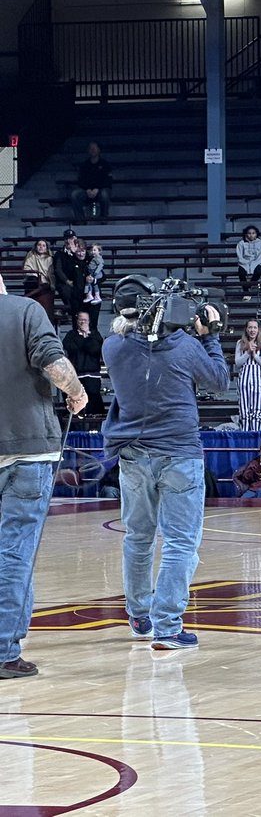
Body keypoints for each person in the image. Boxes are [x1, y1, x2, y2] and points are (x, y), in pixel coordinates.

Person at [103, 288, 228, 649]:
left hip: (133, 457)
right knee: (181, 542)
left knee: (138, 538)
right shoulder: (184, 346)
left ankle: (139, 617)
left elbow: (140, 341)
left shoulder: (113, 347)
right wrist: (211, 336)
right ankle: (168, 627)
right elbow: (219, 381)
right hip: (179, 455)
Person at [0, 274, 88, 679]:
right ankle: (3, 650)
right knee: (15, 553)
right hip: (27, 450)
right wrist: (75, 390)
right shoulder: (25, 311)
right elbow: (51, 359)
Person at [62, 311, 105, 423]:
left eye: (85, 320)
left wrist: (87, 335)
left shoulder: (95, 335)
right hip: (77, 374)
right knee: (77, 400)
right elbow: (71, 348)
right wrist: (83, 338)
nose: (83, 322)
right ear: (77, 321)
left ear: (89, 321)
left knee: (94, 400)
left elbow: (95, 350)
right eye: (81, 319)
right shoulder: (71, 335)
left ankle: (95, 425)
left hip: (93, 374)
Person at [234, 319, 261, 432]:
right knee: (244, 412)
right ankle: (245, 436)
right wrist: (248, 352)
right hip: (244, 381)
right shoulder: (240, 343)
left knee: (257, 412)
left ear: (259, 330)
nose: (252, 330)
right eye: (250, 327)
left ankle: (256, 436)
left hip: (258, 381)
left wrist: (255, 355)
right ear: (246, 329)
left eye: (255, 327)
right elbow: (238, 362)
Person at [69, 141, 112, 221]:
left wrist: (97, 189)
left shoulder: (105, 164)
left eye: (94, 148)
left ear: (99, 150)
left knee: (105, 194)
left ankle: (104, 219)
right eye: (90, 148)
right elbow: (81, 180)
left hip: (100, 190)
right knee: (75, 194)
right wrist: (88, 189)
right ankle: (80, 220)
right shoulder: (84, 165)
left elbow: (107, 180)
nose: (92, 150)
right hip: (87, 191)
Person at [53, 231, 86, 317]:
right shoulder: (59, 254)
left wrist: (75, 253)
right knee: (67, 291)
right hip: (65, 283)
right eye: (66, 239)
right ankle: (73, 313)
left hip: (79, 281)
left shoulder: (81, 252)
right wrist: (67, 281)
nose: (68, 241)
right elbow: (58, 270)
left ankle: (69, 312)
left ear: (75, 239)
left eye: (71, 238)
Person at [22, 239, 54, 322]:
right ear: (36, 246)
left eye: (43, 245)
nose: (41, 247)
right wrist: (36, 276)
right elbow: (27, 269)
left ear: (46, 248)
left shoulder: (50, 258)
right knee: (32, 281)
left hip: (45, 284)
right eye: (39, 245)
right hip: (33, 281)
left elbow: (51, 274)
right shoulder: (30, 255)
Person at [236, 225, 261, 301]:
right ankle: (246, 292)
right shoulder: (241, 244)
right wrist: (246, 265)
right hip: (243, 263)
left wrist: (252, 266)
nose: (251, 235)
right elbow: (240, 257)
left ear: (256, 234)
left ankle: (249, 286)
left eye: (253, 233)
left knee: (259, 271)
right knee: (241, 272)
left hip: (256, 263)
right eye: (249, 233)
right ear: (246, 234)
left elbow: (259, 258)